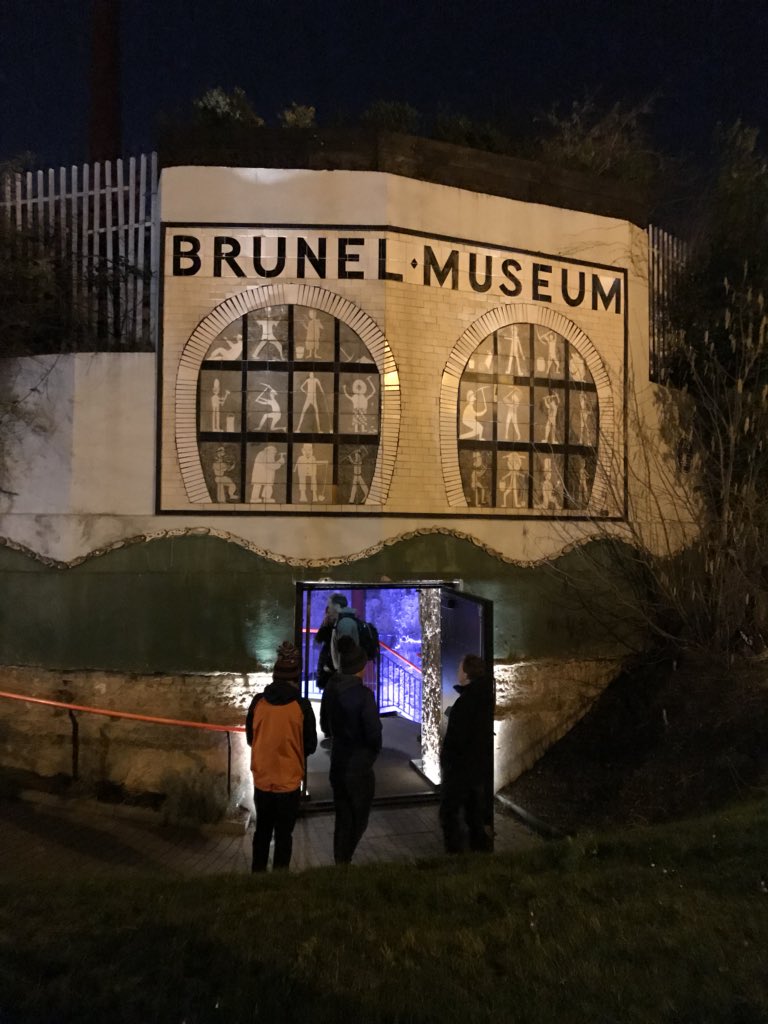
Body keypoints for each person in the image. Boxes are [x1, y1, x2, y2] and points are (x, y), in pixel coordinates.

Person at [245, 641, 317, 873]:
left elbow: (250, 738)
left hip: (263, 780)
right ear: (296, 677)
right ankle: (280, 879)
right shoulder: (301, 706)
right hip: (288, 782)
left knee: (262, 831)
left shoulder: (258, 702)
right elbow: (310, 745)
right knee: (284, 834)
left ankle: (257, 874)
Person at [320, 635, 382, 864]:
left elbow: (325, 725)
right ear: (360, 668)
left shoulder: (330, 688)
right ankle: (344, 859)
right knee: (358, 818)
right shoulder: (364, 696)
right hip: (358, 766)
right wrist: (371, 754)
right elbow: (374, 733)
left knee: (343, 816)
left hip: (338, 761)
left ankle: (340, 863)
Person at [439, 653, 494, 854]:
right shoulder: (484, 697)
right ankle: (480, 849)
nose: (457, 671)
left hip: (460, 768)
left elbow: (457, 738)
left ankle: (456, 854)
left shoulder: (466, 703)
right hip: (476, 766)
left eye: (460, 668)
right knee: (473, 813)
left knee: (449, 813)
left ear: (467, 673)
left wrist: (447, 760)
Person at [314, 593, 361, 690]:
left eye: (330, 605)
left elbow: (343, 650)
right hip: (333, 670)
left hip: (337, 673)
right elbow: (319, 640)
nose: (328, 609)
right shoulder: (337, 622)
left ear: (337, 606)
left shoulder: (343, 623)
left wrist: (331, 667)